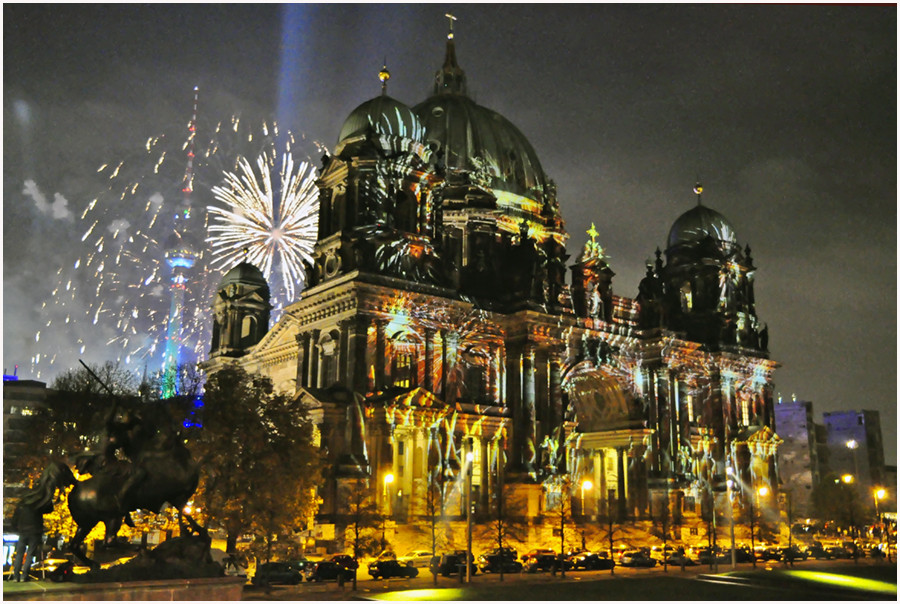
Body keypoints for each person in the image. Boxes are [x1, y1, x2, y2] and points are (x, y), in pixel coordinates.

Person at [11, 499, 44, 582]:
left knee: (19, 554)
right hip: (33, 532)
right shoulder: (36, 506)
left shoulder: (20, 507)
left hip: (23, 531)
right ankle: (24, 575)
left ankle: (16, 576)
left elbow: (14, 519)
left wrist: (16, 528)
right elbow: (40, 520)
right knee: (30, 554)